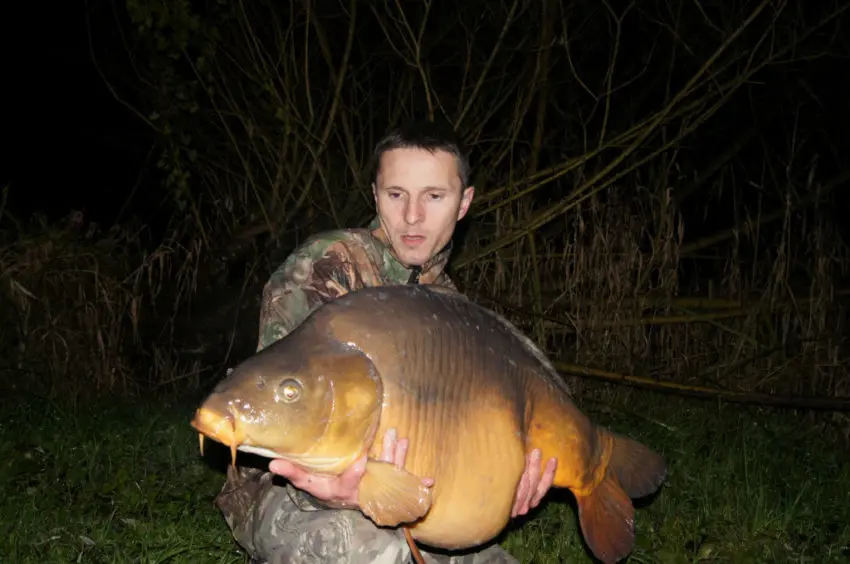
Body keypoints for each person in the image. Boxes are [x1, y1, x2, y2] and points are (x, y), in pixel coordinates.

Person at [214, 121, 559, 563]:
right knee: (377, 553)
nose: (413, 215)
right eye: (396, 195)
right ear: (375, 196)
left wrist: (508, 479)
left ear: (463, 203)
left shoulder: (450, 309)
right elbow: (281, 408)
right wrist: (336, 487)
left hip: (402, 491)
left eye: (434, 197)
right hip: (283, 491)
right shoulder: (326, 266)